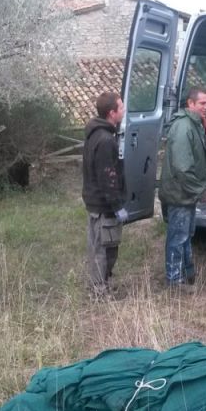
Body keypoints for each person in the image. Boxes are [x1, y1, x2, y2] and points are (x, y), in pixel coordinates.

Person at [159, 87, 206, 287]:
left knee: (185, 235)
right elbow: (183, 168)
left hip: (185, 192)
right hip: (179, 193)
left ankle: (186, 273)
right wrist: (201, 190)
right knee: (178, 237)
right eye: (202, 103)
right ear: (190, 104)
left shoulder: (194, 124)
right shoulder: (184, 127)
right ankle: (174, 281)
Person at [81, 91, 127, 298]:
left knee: (100, 246)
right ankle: (100, 291)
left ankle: (103, 285)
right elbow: (108, 178)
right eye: (121, 107)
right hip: (103, 205)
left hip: (94, 202)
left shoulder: (95, 134)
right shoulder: (106, 140)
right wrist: (117, 206)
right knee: (105, 249)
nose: (124, 110)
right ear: (112, 113)